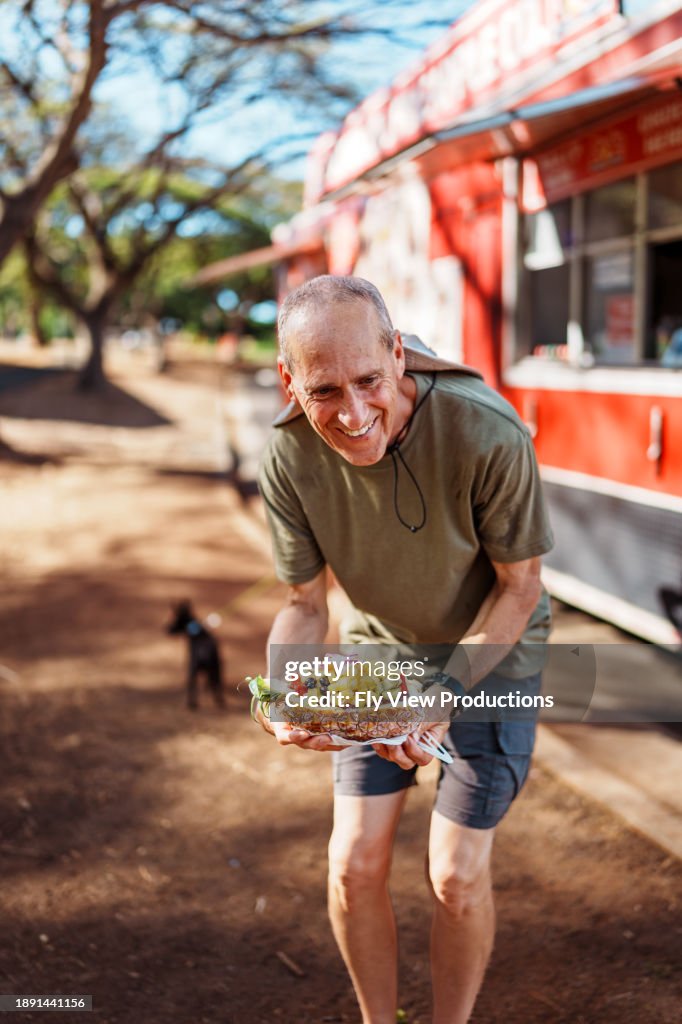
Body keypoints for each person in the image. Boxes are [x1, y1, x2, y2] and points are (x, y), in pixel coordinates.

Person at [255, 275, 553, 1024]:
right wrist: (284, 690)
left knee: (453, 874)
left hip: (492, 658)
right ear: (290, 382)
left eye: (369, 381)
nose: (354, 414)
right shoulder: (288, 456)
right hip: (383, 656)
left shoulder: (489, 432)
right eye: (324, 391)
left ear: (399, 354)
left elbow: (519, 589)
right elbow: (303, 603)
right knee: (353, 865)